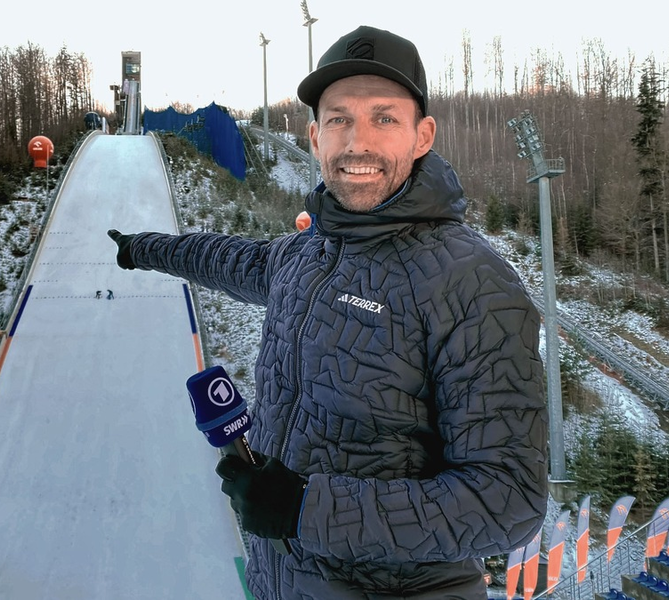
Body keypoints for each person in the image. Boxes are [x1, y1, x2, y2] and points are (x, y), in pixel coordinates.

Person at [108, 25, 547, 600]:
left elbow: (507, 501)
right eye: (339, 118)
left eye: (384, 118)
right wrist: (142, 248)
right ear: (315, 136)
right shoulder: (305, 255)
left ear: (423, 136)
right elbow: (227, 258)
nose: (357, 141)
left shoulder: (471, 283)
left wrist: (305, 509)